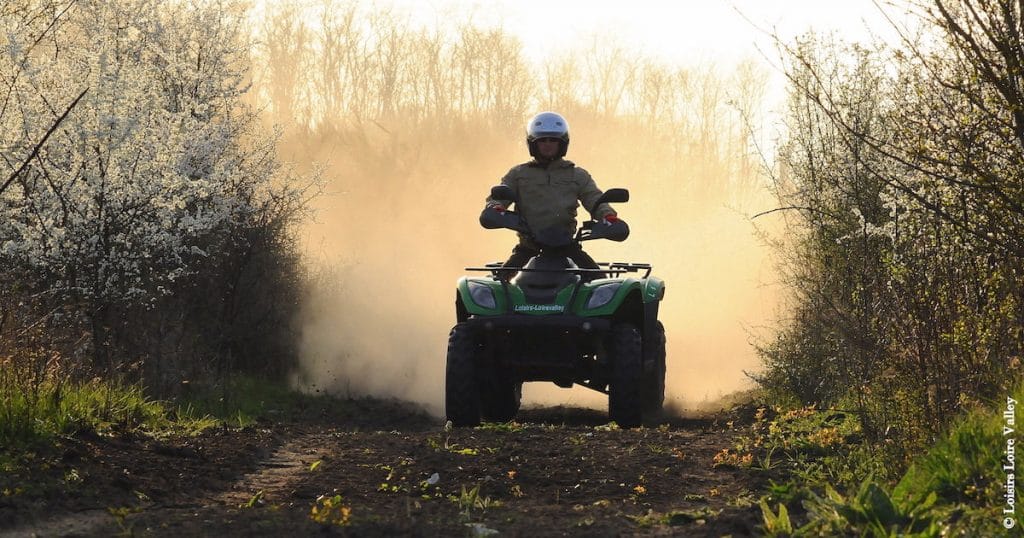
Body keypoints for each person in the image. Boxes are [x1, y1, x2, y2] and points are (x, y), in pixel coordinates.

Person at [485, 111, 620, 280]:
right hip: (528, 248)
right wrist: (494, 208)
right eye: (542, 140)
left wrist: (608, 216)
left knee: (604, 286)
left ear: (562, 143)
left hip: (568, 247)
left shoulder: (577, 175)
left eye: (553, 140)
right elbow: (498, 195)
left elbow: (594, 198)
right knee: (496, 289)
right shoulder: (518, 174)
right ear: (533, 144)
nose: (547, 144)